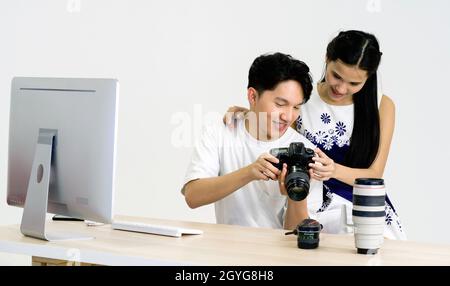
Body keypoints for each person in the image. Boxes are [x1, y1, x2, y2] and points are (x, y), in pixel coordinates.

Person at [224, 30, 406, 239]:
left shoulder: (382, 105)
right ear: (327, 59)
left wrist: (333, 170)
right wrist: (250, 114)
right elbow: (279, 133)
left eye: (354, 83)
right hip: (309, 206)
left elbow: (374, 174)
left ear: (369, 77)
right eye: (336, 75)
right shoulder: (302, 101)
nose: (341, 87)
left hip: (363, 208)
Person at [181, 52, 322, 230]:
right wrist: (249, 173)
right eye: (280, 104)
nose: (288, 116)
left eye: (296, 107)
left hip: (279, 254)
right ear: (252, 97)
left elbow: (297, 233)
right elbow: (193, 196)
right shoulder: (221, 132)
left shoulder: (306, 152)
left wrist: (296, 196)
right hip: (229, 252)